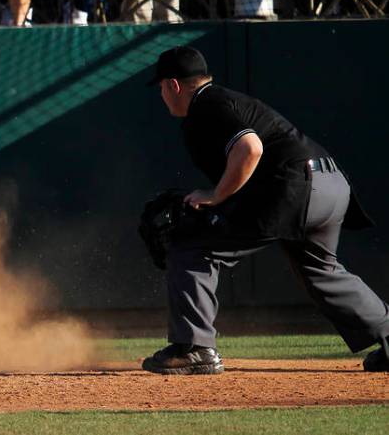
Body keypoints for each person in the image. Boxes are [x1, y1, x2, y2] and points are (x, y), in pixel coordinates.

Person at [143, 45, 389, 374]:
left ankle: (194, 347)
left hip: (294, 188)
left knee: (191, 243)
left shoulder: (207, 105)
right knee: (323, 271)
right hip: (330, 183)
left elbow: (250, 147)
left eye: (161, 86)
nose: (162, 94)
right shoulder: (224, 100)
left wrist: (215, 195)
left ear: (173, 85)